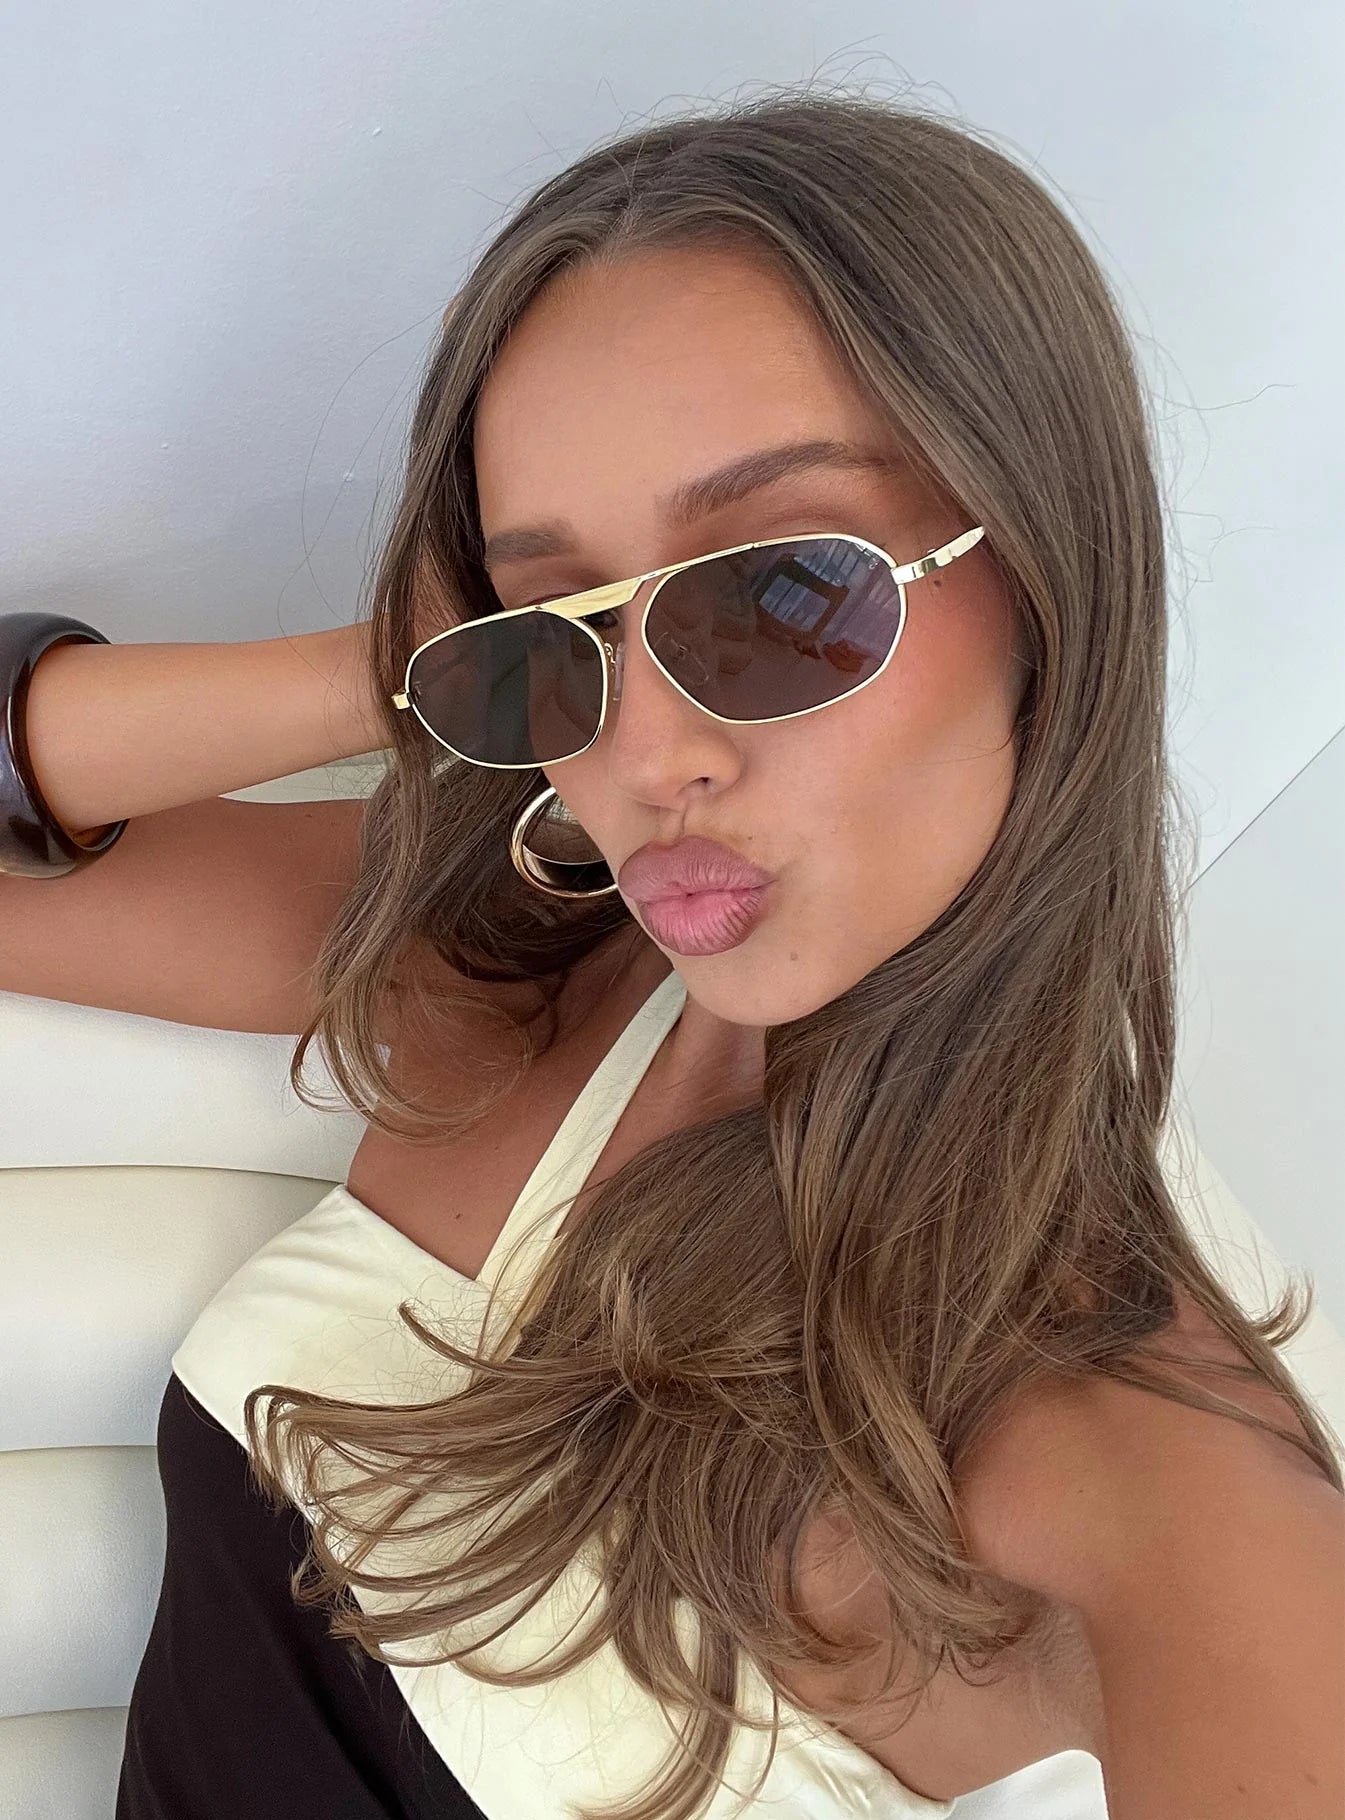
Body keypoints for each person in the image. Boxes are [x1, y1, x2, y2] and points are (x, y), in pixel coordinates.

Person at [5, 85, 1342, 1820]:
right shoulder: (540, 968)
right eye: (553, 624)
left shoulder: (1141, 1473)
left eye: (781, 594)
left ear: (1046, 574)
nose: (645, 753)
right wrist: (404, 663)